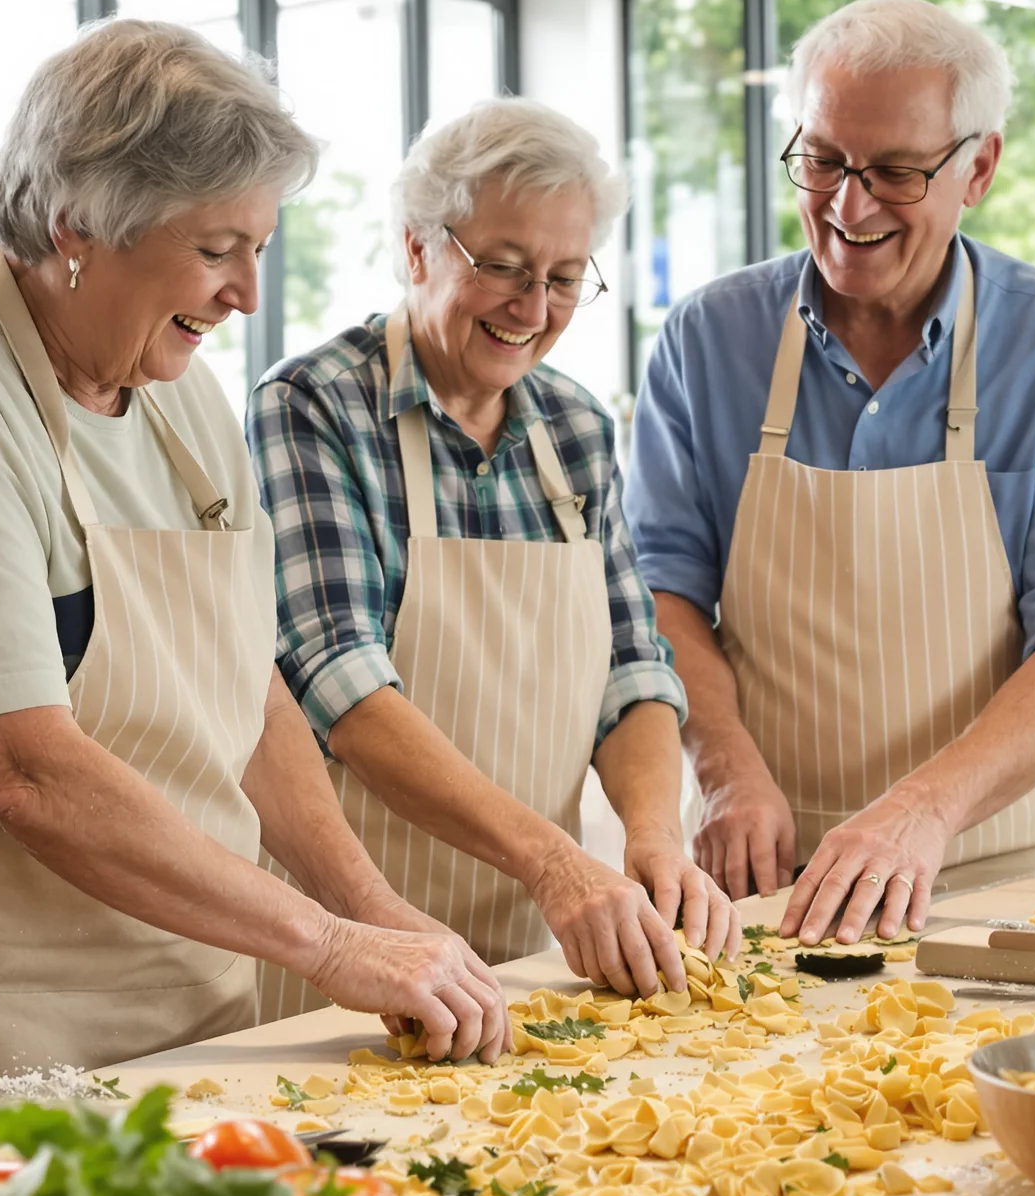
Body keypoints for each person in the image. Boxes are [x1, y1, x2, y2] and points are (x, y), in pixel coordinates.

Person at [0, 20, 509, 1138]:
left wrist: (372, 908)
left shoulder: (177, 390)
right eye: (218, 248)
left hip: (176, 989)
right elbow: (21, 767)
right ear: (77, 227)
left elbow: (245, 690)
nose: (246, 296)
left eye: (259, 246)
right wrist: (325, 944)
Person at [625, 0, 1035, 947]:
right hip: (767, 880)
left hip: (996, 868)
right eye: (822, 160)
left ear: (977, 166)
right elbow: (661, 589)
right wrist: (726, 767)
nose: (848, 207)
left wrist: (925, 813)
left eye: (897, 173)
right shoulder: (708, 339)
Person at [248, 100, 736, 1002]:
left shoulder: (578, 426)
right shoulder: (314, 405)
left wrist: (654, 838)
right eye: (505, 268)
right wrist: (555, 862)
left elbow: (632, 671)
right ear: (416, 247)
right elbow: (339, 682)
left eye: (563, 277)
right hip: (357, 944)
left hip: (534, 947)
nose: (533, 308)